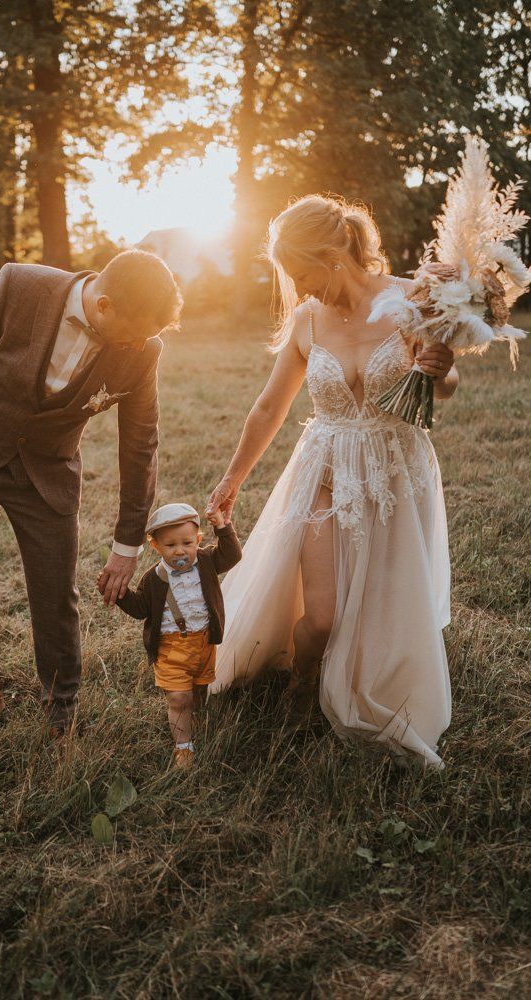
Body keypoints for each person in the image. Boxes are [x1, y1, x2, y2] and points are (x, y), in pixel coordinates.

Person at [206, 195, 457, 769]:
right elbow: (269, 408)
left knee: (384, 607)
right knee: (321, 615)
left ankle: (379, 680)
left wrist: (444, 373)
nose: (298, 288)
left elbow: (441, 384)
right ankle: (301, 686)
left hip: (396, 470)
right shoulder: (306, 319)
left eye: (301, 273)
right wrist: (231, 478)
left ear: (332, 252)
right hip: (325, 469)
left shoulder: (410, 299)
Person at [0, 249, 182, 742]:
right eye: (133, 332)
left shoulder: (142, 350)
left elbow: (140, 442)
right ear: (104, 305)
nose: (137, 344)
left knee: (54, 595)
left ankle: (60, 709)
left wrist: (127, 544)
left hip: (48, 473)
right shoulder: (18, 285)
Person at [113, 502, 242, 768]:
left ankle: (194, 717)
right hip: (170, 649)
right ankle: (183, 746)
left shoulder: (206, 561)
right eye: (170, 546)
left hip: (205, 642)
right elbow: (140, 609)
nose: (180, 550)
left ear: (197, 539)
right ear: (156, 547)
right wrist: (120, 593)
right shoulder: (155, 578)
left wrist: (222, 527)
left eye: (187, 542)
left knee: (197, 691)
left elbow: (232, 556)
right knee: (178, 697)